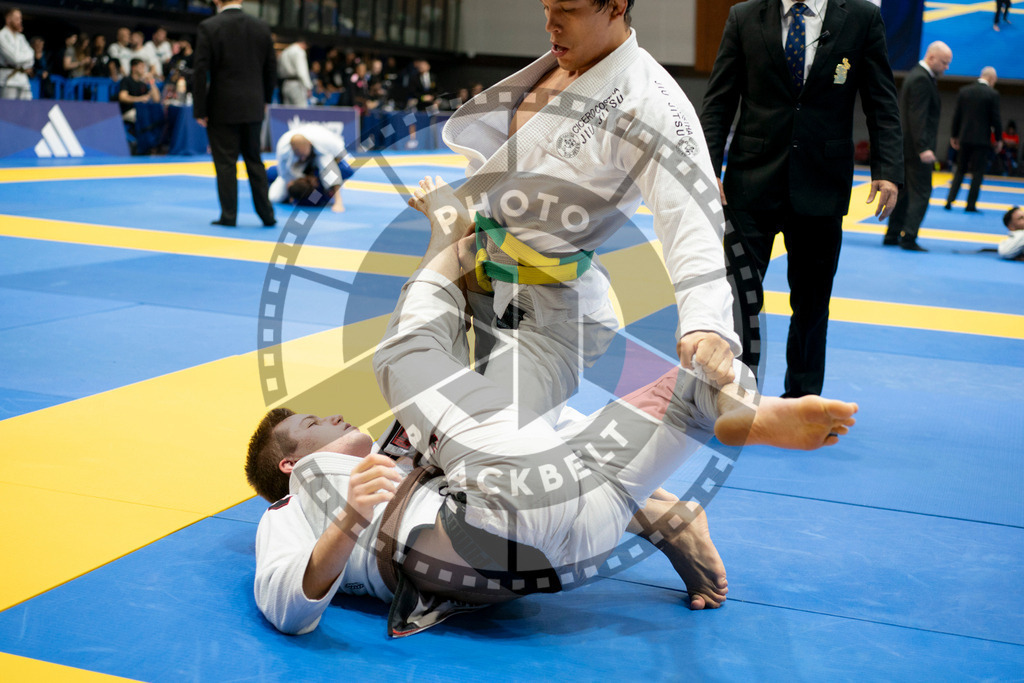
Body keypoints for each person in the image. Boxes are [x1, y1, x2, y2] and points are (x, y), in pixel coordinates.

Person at [247, 178, 859, 637]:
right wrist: (348, 519)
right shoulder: (296, 504)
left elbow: (504, 407)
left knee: (691, 388)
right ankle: (497, 250)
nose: (331, 417)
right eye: (310, 426)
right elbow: (289, 608)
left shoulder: (403, 451)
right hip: (496, 526)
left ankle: (734, 411)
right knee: (404, 354)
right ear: (289, 465)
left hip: (572, 527)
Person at [436, 0, 741, 438]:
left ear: (616, 5)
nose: (550, 24)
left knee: (493, 450)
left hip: (550, 313)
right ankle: (653, 507)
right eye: (545, 6)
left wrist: (706, 322)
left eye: (568, 9)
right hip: (489, 283)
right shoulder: (561, 63)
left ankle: (634, 489)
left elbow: (688, 214)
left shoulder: (649, 99)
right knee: (466, 423)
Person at [700, 0, 903, 398]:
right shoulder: (744, 16)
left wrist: (888, 170)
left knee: (812, 304)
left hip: (822, 184)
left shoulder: (861, 17)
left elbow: (881, 100)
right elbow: (718, 100)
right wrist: (708, 170)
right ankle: (736, 394)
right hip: (749, 182)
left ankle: (803, 398)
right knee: (739, 298)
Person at [193, 0, 277, 228]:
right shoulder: (261, 27)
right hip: (253, 103)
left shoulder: (209, 26)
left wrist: (199, 108)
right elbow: (271, 67)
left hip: (222, 105)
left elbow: (200, 70)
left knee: (225, 163)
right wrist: (266, 99)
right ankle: (267, 215)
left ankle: (228, 216)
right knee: (255, 161)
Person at [884, 41, 952, 252]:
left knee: (903, 193)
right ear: (931, 58)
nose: (946, 67)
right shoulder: (922, 79)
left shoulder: (918, 76)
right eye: (944, 62)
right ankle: (909, 236)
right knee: (921, 192)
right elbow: (918, 116)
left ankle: (893, 234)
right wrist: (924, 147)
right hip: (916, 148)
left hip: (907, 147)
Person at [944, 67, 1002, 214]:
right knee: (978, 173)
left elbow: (956, 116)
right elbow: (996, 119)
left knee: (960, 170)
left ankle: (950, 200)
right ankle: (970, 205)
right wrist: (999, 139)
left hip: (964, 138)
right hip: (982, 141)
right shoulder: (992, 94)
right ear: (991, 79)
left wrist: (954, 135)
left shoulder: (964, 91)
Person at [268, 125, 355, 213]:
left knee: (325, 162)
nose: (302, 158)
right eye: (299, 155)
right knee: (275, 197)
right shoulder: (284, 148)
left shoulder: (327, 142)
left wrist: (334, 193)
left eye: (303, 155)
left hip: (320, 162)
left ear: (309, 143)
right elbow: (284, 174)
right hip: (298, 171)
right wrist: (290, 188)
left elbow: (343, 161)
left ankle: (338, 200)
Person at [0, 8, 34, 100]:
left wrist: (21, 61)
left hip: (23, 80)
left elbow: (31, 56)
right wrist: (23, 60)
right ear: (8, 19)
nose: (20, 21)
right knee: (8, 111)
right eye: (17, 19)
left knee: (27, 109)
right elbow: (15, 58)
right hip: (8, 80)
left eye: (20, 19)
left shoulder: (21, 37)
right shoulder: (1, 36)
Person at [118, 57, 159, 124]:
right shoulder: (126, 80)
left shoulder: (142, 84)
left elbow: (156, 99)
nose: (144, 69)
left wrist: (151, 81)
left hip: (141, 110)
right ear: (134, 68)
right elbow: (122, 97)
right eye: (141, 66)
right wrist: (140, 99)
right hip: (128, 111)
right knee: (144, 116)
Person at [277, 38, 311, 106]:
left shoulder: (285, 51)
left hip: (285, 84)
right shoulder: (299, 51)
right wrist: (308, 86)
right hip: (296, 84)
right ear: (303, 44)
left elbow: (279, 71)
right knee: (301, 110)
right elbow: (302, 72)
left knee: (288, 111)